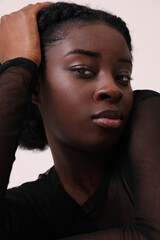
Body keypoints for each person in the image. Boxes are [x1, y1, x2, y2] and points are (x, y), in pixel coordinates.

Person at [0, 2, 160, 240]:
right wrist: (18, 67)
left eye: (122, 77)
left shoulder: (148, 114)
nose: (112, 89)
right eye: (83, 70)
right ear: (34, 88)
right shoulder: (29, 206)